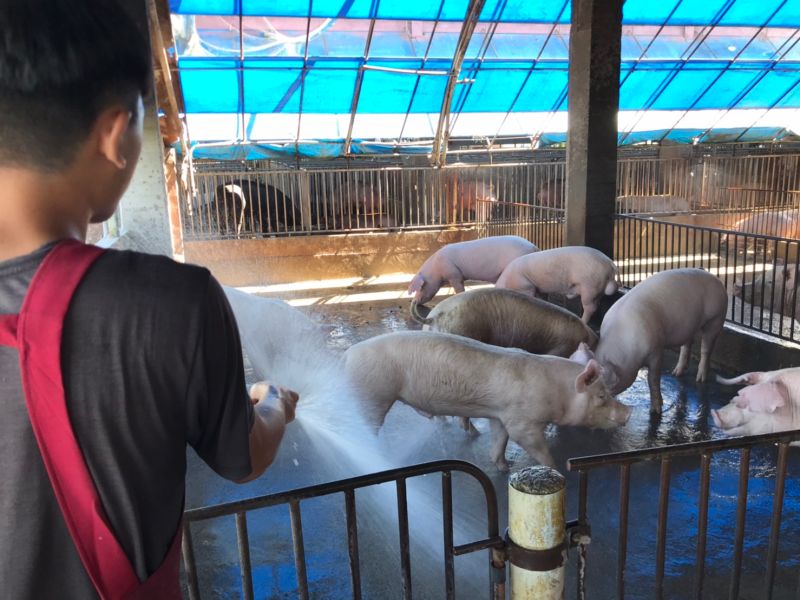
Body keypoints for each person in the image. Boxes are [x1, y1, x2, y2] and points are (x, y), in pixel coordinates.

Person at [0, 1, 299, 598]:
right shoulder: (176, 302)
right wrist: (274, 407)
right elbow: (243, 458)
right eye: (146, 119)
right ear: (115, 133)